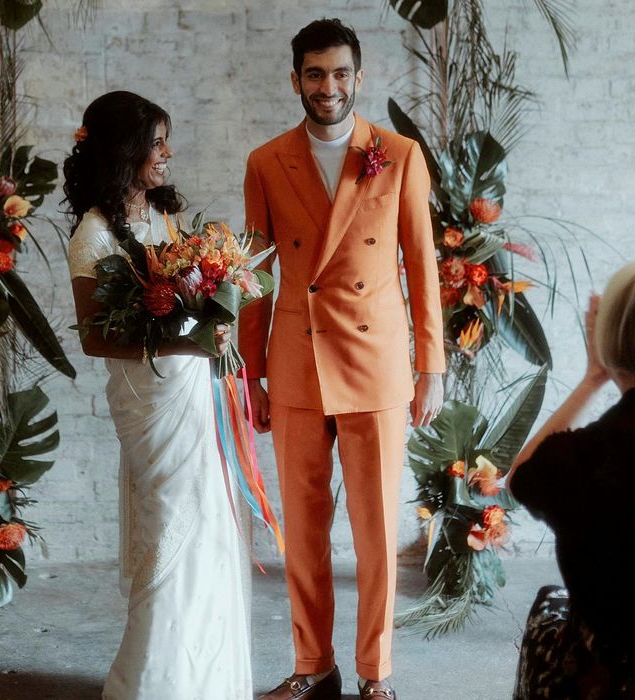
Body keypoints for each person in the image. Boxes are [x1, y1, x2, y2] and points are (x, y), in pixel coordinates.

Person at [239, 19, 445, 700]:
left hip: (378, 365)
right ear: (295, 78)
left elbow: (422, 264)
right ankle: (312, 666)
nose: (328, 87)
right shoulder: (266, 162)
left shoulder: (399, 154)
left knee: (376, 533)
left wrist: (431, 367)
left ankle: (375, 675)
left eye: (339, 74)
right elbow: (256, 276)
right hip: (296, 363)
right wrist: (252, 372)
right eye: (314, 74)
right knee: (303, 532)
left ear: (360, 77)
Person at [64, 91, 252, 700]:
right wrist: (176, 343)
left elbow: (186, 300)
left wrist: (210, 322)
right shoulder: (92, 235)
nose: (167, 153)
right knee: (170, 522)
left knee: (212, 523)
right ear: (126, 150)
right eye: (157, 141)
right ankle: (153, 681)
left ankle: (207, 676)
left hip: (195, 390)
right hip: (148, 401)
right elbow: (94, 338)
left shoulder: (166, 219)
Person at [508, 268, 635, 699]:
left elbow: (520, 476)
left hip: (608, 677)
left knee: (551, 605)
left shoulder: (588, 457)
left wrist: (592, 378)